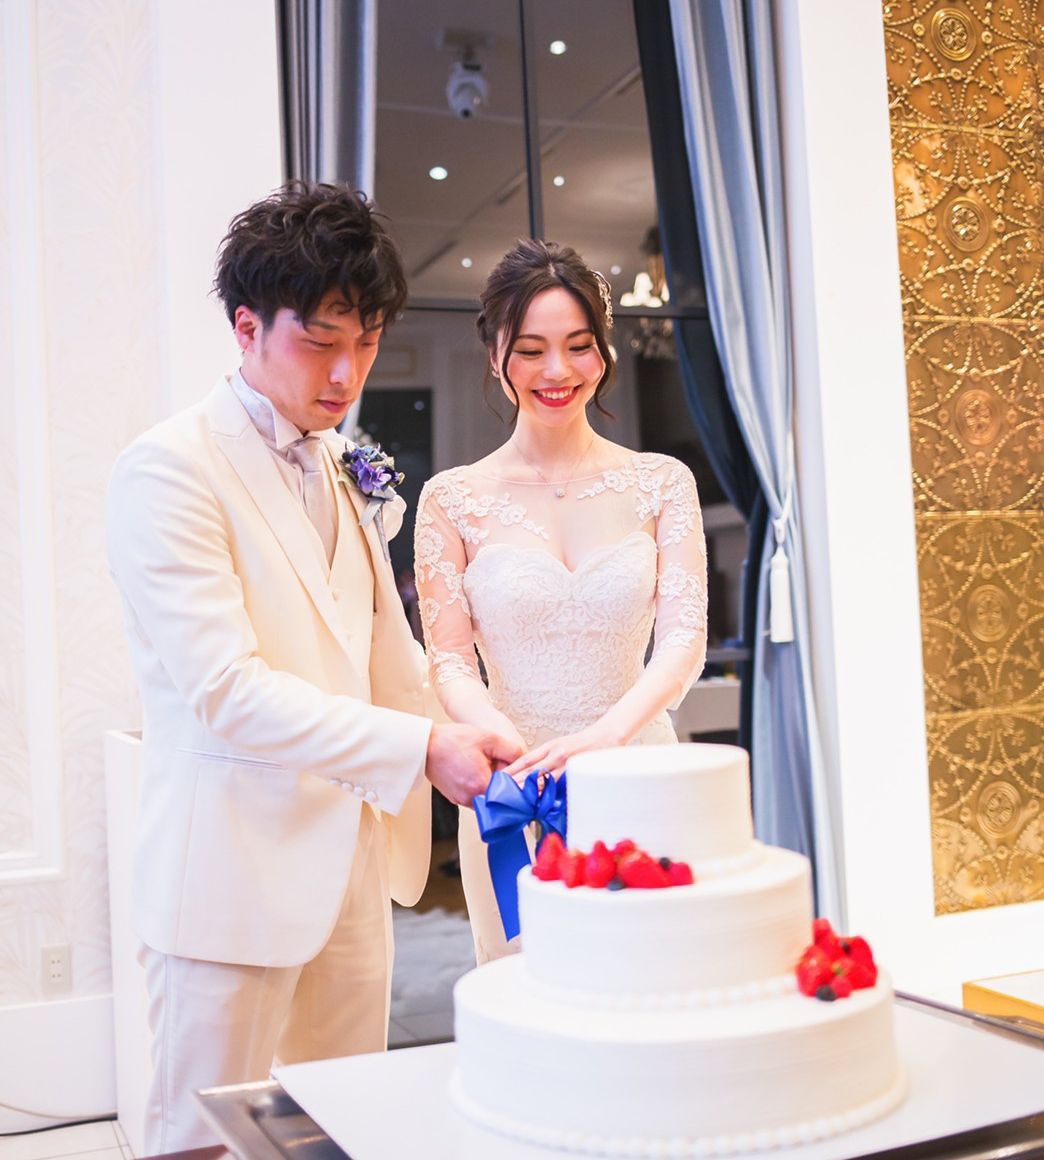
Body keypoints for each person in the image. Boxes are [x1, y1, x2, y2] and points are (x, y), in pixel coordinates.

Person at [106, 182, 519, 1153]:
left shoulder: (342, 462)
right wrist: (423, 749)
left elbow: (383, 652)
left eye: (367, 341)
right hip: (231, 878)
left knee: (339, 1127)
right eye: (321, 340)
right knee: (201, 1139)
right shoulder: (169, 468)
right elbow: (227, 691)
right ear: (247, 326)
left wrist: (483, 725)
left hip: (353, 869)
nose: (348, 372)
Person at [414, 239, 708, 963]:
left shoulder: (662, 483)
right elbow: (449, 662)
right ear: (496, 356)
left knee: (656, 983)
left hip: (638, 769)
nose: (558, 371)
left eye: (579, 346)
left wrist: (607, 738)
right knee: (531, 991)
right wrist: (504, 743)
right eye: (531, 350)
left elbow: (682, 642)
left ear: (603, 350)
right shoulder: (451, 499)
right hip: (517, 788)